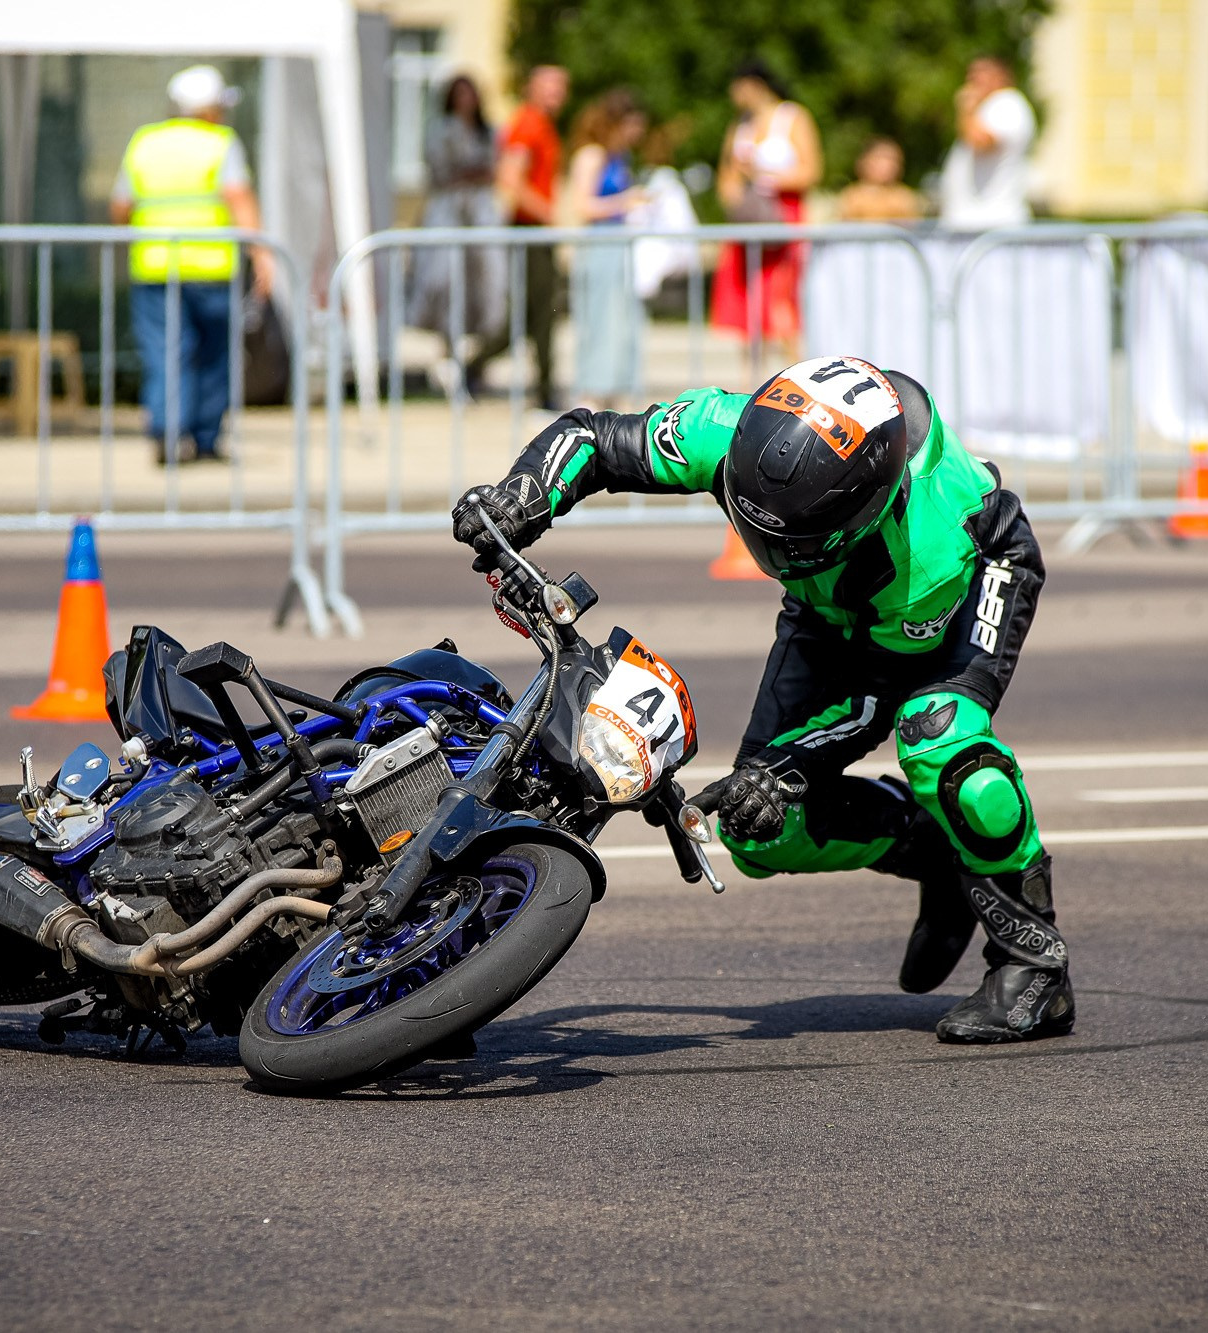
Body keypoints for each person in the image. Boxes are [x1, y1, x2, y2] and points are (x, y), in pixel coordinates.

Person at [451, 356, 1071, 1044]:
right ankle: (931, 846)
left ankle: (1033, 962)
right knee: (756, 830)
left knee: (940, 740)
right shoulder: (726, 428)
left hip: (972, 579)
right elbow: (596, 438)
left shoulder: (920, 560)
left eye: (789, 535)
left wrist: (783, 769)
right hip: (829, 600)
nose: (766, 542)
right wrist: (526, 492)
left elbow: (879, 695)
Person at [111, 64, 272, 463]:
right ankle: (204, 437)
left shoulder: (145, 141)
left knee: (166, 353)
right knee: (215, 356)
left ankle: (167, 435)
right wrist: (262, 255)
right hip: (212, 269)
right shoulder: (220, 142)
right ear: (210, 108)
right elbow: (239, 198)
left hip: (155, 268)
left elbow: (120, 207)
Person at [464, 64, 568, 411]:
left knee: (532, 314)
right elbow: (510, 177)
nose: (556, 94)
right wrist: (549, 213)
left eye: (560, 87)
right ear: (532, 88)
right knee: (538, 313)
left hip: (535, 228)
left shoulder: (541, 124)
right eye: (549, 86)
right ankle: (542, 386)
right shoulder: (527, 124)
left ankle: (477, 367)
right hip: (529, 228)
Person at [713, 61, 821, 366]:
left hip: (782, 218)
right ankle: (751, 391)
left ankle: (799, 379)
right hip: (749, 221)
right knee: (748, 312)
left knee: (782, 304)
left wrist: (763, 175)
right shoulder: (740, 125)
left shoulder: (792, 117)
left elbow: (811, 171)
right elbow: (727, 176)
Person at [410, 74, 507, 386]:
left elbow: (493, 171)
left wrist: (473, 173)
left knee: (486, 286)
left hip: (479, 217)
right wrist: (469, 173)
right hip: (449, 215)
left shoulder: (487, 132)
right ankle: (448, 353)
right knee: (444, 281)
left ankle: (474, 360)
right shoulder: (441, 130)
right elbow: (441, 173)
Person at [566, 89, 647, 410]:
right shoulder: (591, 155)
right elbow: (582, 205)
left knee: (622, 327)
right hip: (599, 248)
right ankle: (590, 401)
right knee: (600, 325)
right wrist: (628, 201)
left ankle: (613, 402)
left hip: (620, 247)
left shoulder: (619, 157)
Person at [939, 55, 1036, 230]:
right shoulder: (990, 107)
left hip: (990, 224)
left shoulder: (1008, 103)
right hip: (977, 224)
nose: (972, 79)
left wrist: (966, 109)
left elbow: (981, 142)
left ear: (1002, 76)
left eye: (981, 72)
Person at [838, 137, 922, 223]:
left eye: (892, 160)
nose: (887, 166)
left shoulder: (904, 197)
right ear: (865, 162)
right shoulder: (852, 196)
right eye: (880, 159)